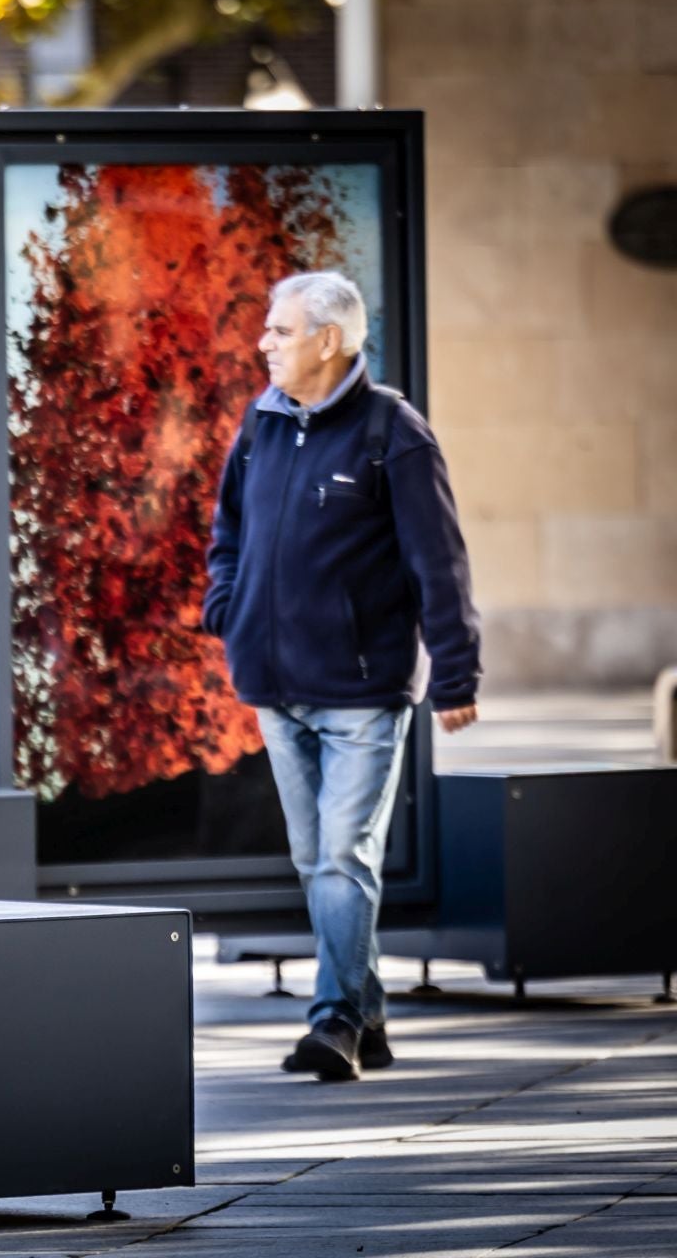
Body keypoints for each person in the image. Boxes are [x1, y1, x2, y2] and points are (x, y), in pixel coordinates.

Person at [203, 270, 480, 1081]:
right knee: (313, 858)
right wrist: (230, 604)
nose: (265, 345)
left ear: (330, 340)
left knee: (341, 858)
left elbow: (440, 565)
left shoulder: (394, 434)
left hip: (362, 690)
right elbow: (227, 529)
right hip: (274, 682)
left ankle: (334, 1022)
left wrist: (456, 674)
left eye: (281, 332)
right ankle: (372, 1015)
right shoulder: (260, 424)